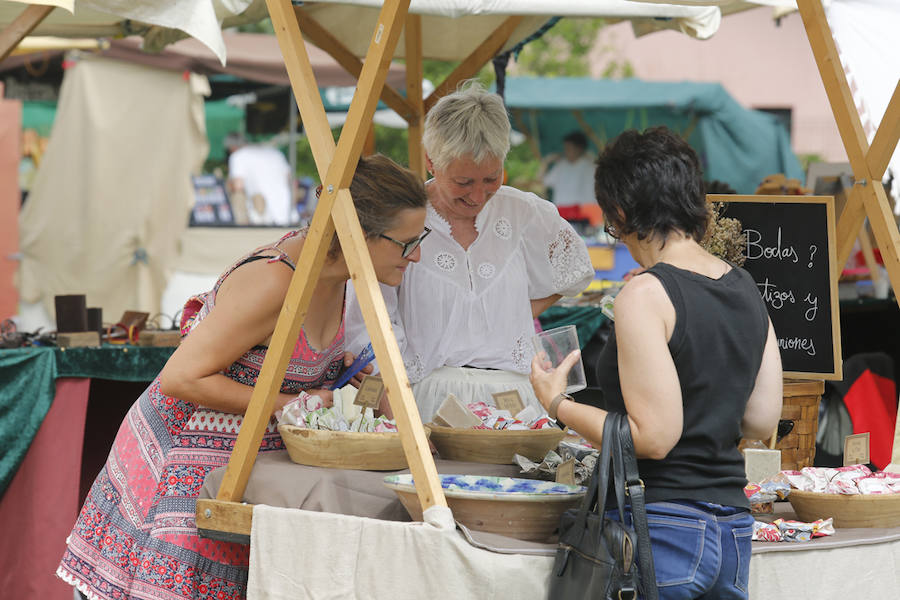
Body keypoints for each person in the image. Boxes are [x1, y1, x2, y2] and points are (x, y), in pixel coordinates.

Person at [57, 154, 428, 600]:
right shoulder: (275, 283)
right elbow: (182, 379)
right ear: (357, 234)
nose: (418, 255)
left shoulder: (342, 275)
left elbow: (274, 355)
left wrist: (334, 364)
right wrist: (292, 405)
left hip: (235, 473)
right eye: (407, 243)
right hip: (180, 474)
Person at [530, 127, 783, 599]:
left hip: (662, 527)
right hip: (732, 529)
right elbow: (761, 418)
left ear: (622, 213)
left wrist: (557, 403)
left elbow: (655, 436)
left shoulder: (645, 293)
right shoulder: (746, 287)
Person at [345, 82, 593, 422]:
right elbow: (367, 328)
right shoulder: (401, 220)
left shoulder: (524, 212)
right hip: (426, 400)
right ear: (431, 162)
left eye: (491, 178)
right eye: (463, 182)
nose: (478, 196)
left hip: (515, 399)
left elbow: (574, 272)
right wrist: (391, 413)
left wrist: (511, 310)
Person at [225, 133, 294, 226]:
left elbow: (238, 186)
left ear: (232, 147)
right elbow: (291, 181)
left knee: (236, 194)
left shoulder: (238, 156)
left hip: (261, 216)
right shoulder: (276, 153)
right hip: (289, 214)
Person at [539, 130, 596, 219]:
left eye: (569, 148)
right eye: (565, 148)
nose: (566, 151)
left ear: (579, 148)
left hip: (586, 213)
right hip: (562, 213)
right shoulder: (561, 165)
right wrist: (546, 161)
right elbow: (542, 181)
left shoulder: (591, 165)